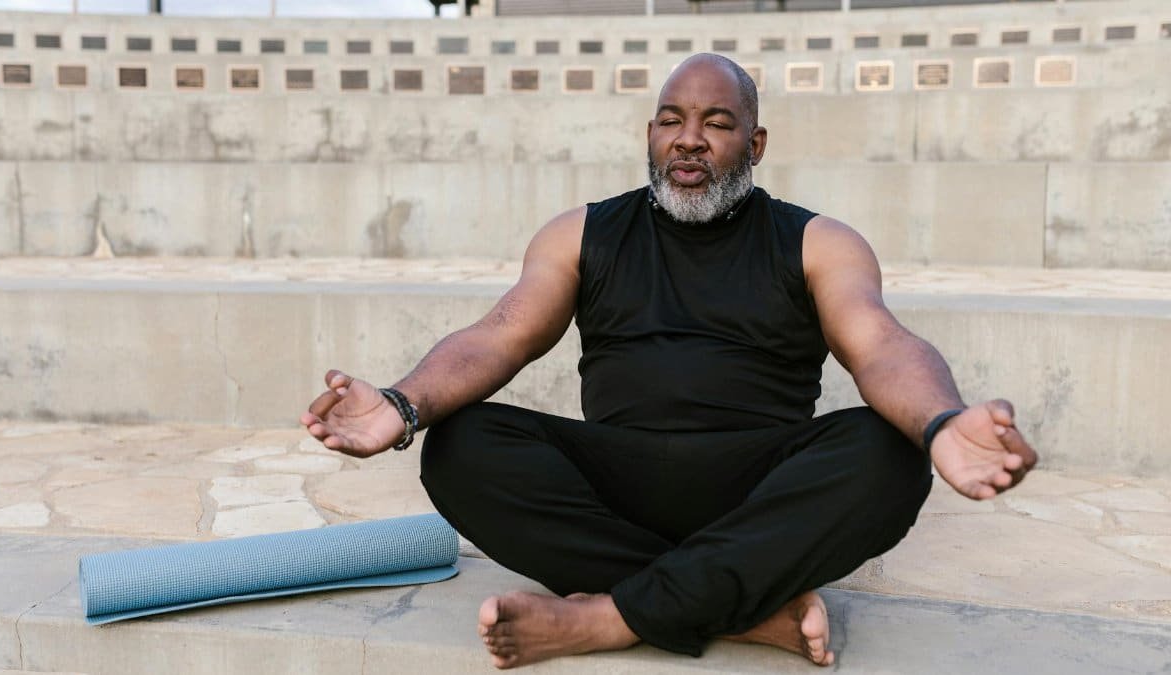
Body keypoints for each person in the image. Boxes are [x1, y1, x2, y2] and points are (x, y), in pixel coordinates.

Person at [301, 53, 1039, 669]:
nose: (690, 139)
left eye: (718, 123)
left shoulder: (818, 241)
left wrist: (939, 422)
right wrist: (402, 405)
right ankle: (745, 611)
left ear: (755, 145)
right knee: (460, 445)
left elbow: (881, 343)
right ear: (649, 134)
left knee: (889, 451)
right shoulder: (582, 232)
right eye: (671, 120)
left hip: (757, 485)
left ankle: (608, 616)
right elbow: (500, 333)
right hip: (620, 476)